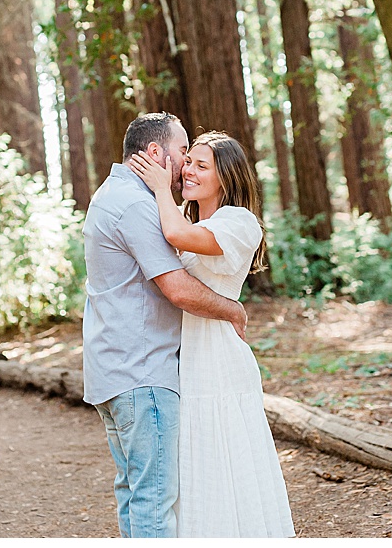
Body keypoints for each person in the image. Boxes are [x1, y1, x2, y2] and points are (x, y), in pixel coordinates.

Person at [82, 113, 248, 538]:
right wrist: (231, 309)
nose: (185, 166)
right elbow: (178, 290)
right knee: (153, 499)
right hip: (142, 374)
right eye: (182, 153)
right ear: (156, 153)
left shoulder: (110, 194)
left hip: (116, 369)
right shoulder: (139, 204)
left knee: (135, 494)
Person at [129, 131, 295, 537]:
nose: (188, 170)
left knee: (224, 453)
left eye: (202, 166)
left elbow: (176, 237)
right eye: (189, 162)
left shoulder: (239, 222)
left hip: (218, 357)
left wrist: (157, 188)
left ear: (226, 177)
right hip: (183, 355)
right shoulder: (191, 218)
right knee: (194, 458)